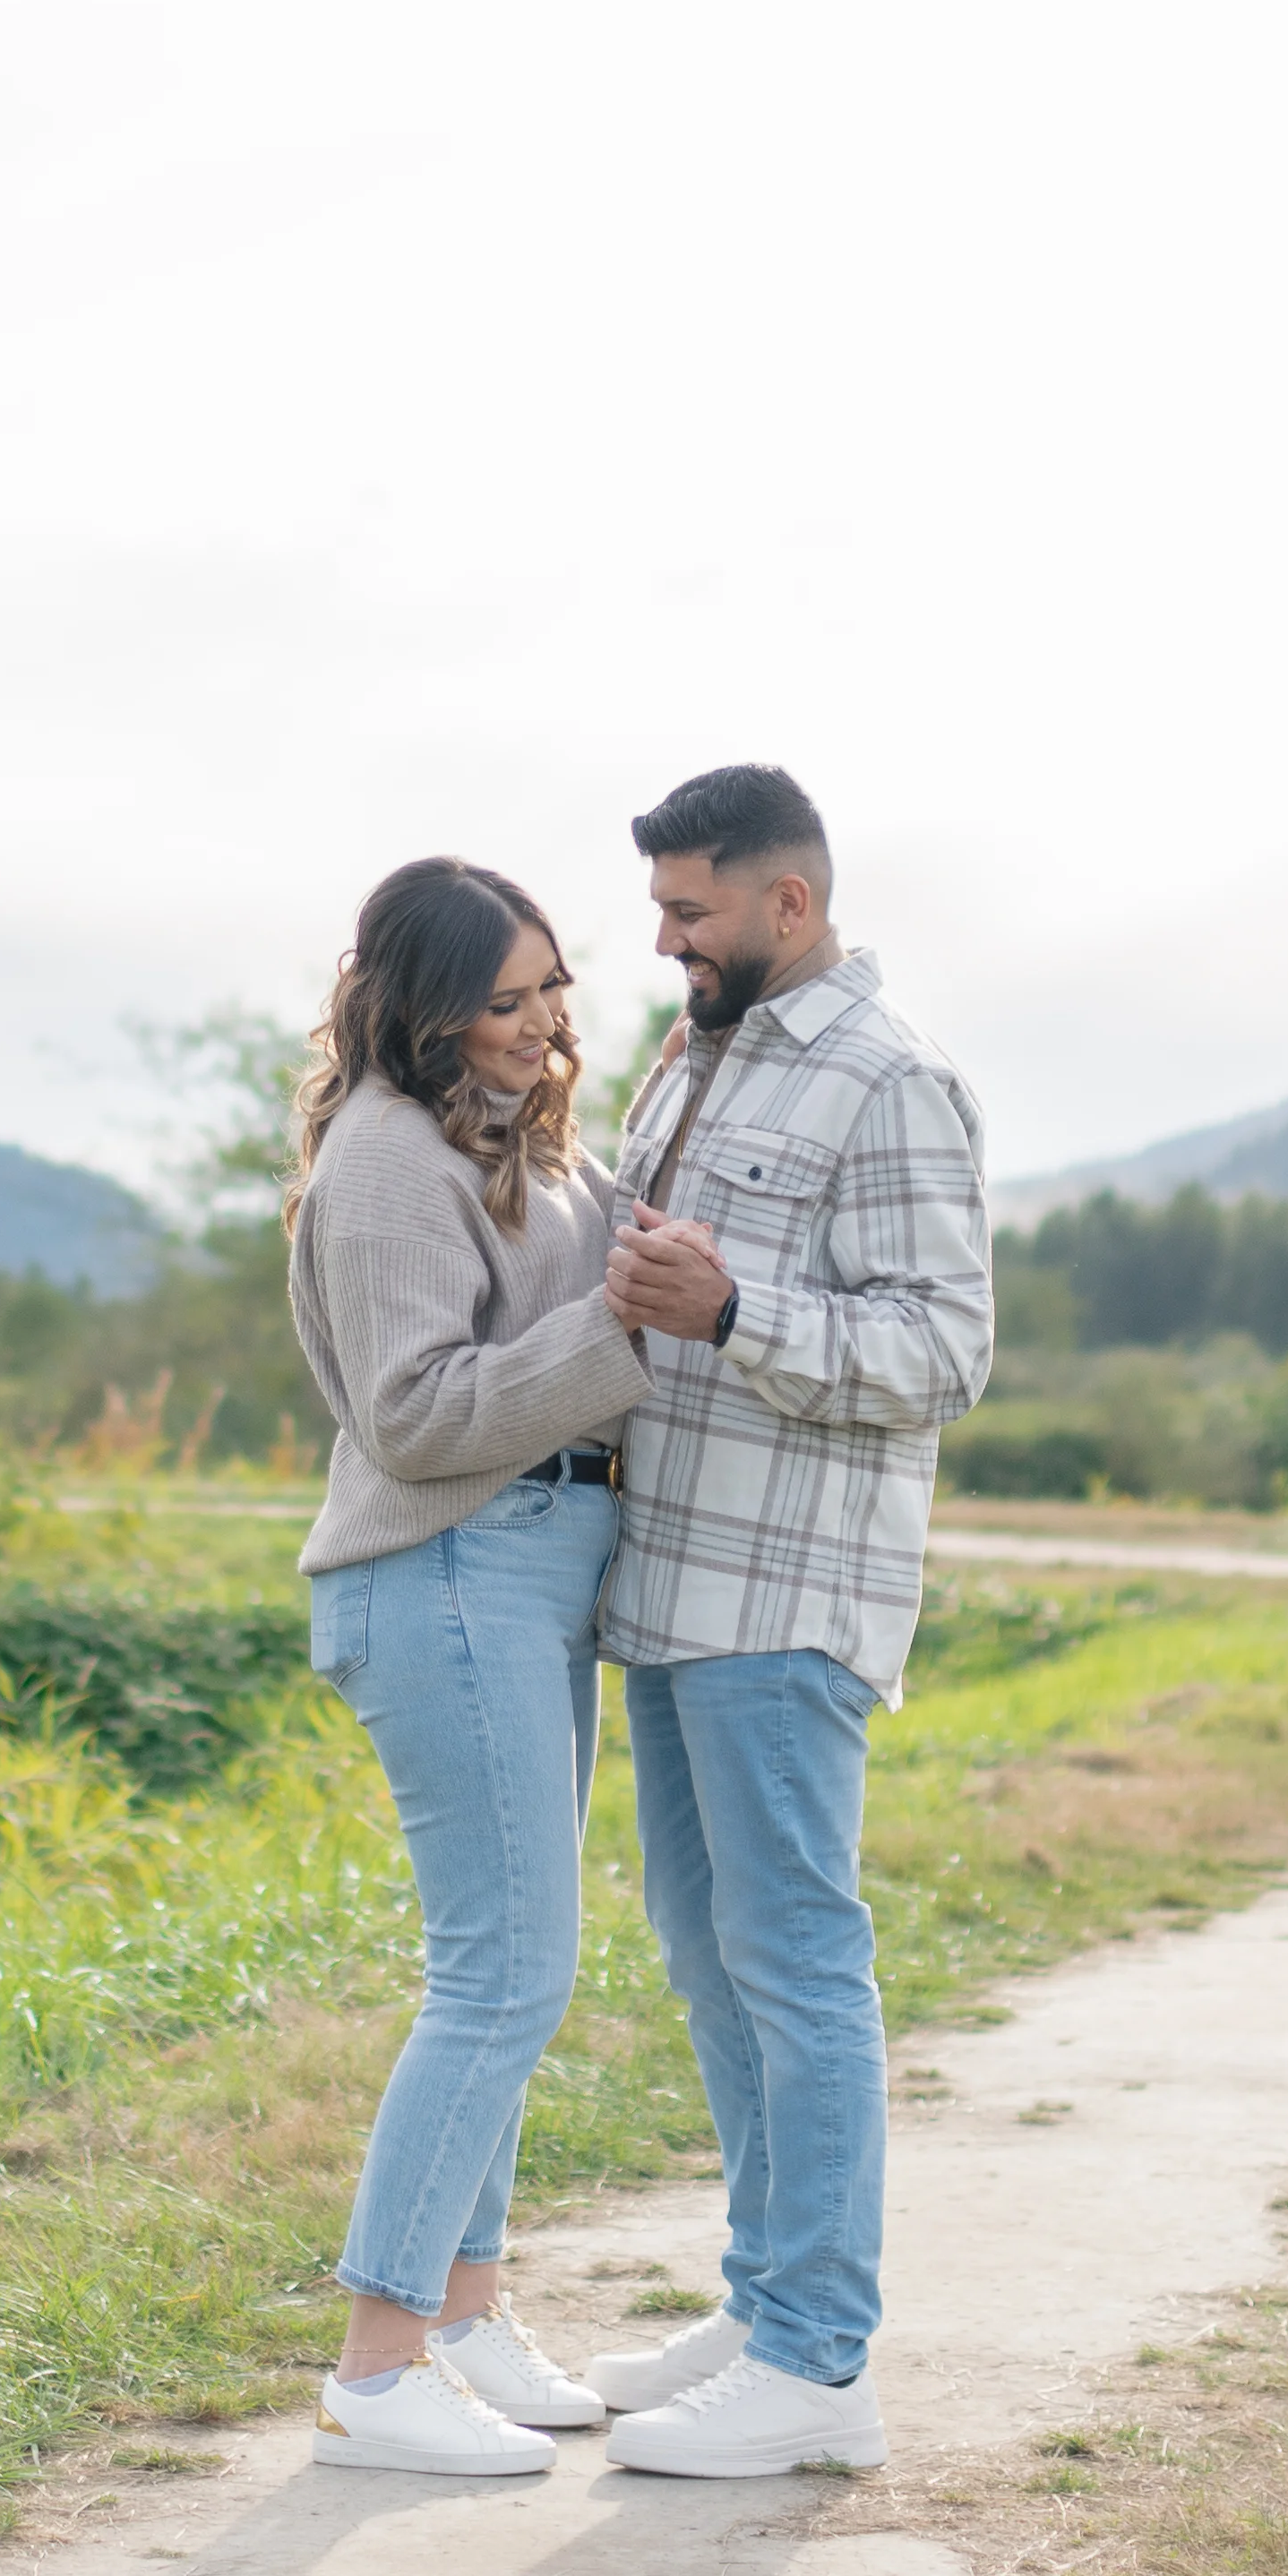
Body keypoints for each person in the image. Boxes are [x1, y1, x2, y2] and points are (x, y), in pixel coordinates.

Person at [578, 763, 993, 2477]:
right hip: (666, 1586)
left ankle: (823, 2366)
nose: (664, 939)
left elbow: (943, 1354)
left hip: (785, 1596)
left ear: (788, 907)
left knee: (800, 1967)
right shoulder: (693, 1050)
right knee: (710, 1956)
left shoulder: (895, 1085)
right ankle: (764, 2307)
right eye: (661, 908)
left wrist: (739, 1308)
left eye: (690, 911)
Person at [277, 855, 658, 2474]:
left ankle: (470, 2316)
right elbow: (419, 1413)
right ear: (419, 1012)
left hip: (522, 1580)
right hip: (443, 1574)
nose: (536, 1024)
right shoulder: (379, 1160)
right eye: (500, 1003)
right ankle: (377, 2369)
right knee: (501, 1975)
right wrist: (627, 1328)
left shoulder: (516, 1143)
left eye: (550, 990)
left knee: (514, 1968)